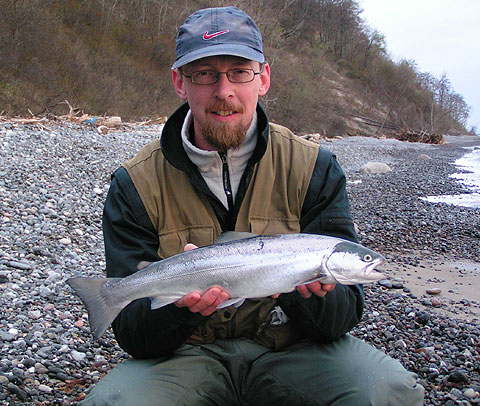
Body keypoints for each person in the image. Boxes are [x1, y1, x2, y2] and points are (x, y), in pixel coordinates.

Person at [81, 6, 424, 406]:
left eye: (239, 72)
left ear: (263, 79)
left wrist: (304, 293)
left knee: (389, 393)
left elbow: (341, 320)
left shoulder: (315, 167)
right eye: (204, 73)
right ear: (180, 82)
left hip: (292, 350)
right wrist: (182, 309)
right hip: (185, 356)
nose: (223, 91)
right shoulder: (134, 183)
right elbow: (136, 337)